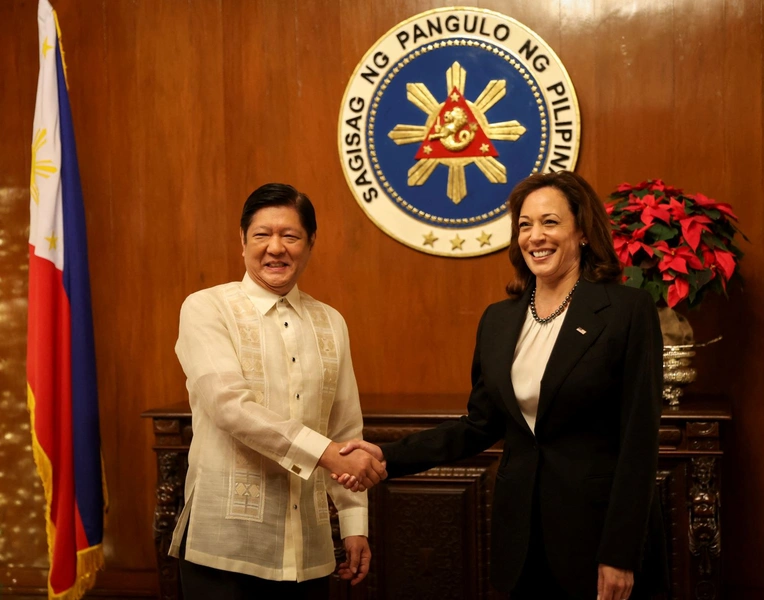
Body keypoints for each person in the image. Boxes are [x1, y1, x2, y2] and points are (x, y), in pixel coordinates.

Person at [335, 171, 667, 600]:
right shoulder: (499, 320)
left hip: (598, 539)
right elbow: (478, 425)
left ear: (582, 232)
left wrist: (620, 553)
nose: (535, 236)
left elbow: (639, 441)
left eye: (550, 222)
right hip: (521, 540)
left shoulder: (626, 311)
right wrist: (387, 455)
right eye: (525, 225)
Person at [169, 183, 387, 600]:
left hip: (309, 549)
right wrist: (324, 453)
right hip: (226, 548)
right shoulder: (206, 307)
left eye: (290, 236)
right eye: (261, 235)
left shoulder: (330, 322)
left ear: (310, 243)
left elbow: (344, 425)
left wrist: (354, 522)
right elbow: (229, 407)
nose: (275, 248)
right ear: (242, 240)